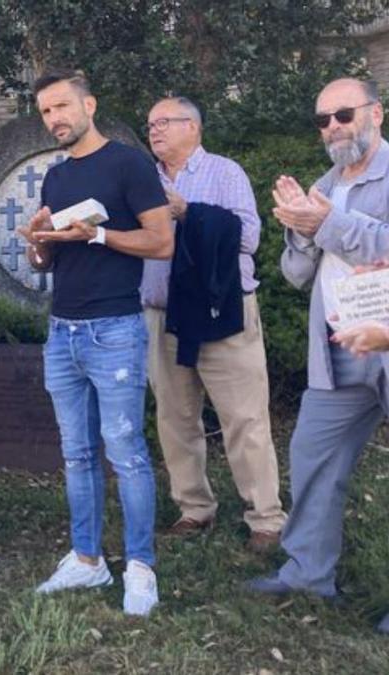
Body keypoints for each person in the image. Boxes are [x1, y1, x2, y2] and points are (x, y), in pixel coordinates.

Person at [18, 68, 172, 616]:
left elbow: (161, 241)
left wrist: (100, 233)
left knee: (126, 453)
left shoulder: (129, 165)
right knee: (77, 453)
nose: (54, 119)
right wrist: (37, 243)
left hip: (115, 330)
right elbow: (50, 260)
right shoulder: (56, 179)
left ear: (90, 104)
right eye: (45, 112)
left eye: (61, 106)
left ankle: (140, 567)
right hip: (62, 332)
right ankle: (86, 560)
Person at [245, 77, 389, 635]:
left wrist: (326, 223)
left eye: (344, 114)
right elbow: (295, 274)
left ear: (375, 113)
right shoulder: (323, 183)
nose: (333, 128)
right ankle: (308, 571)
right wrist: (303, 235)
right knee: (312, 455)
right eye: (323, 120)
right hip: (336, 352)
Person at [139, 97, 287, 550]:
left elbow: (248, 236)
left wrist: (190, 213)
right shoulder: (143, 181)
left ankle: (265, 517)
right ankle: (194, 508)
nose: (155, 130)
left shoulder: (226, 172)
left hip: (223, 312)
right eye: (150, 124)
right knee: (175, 417)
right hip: (162, 315)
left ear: (194, 128)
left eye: (165, 122)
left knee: (244, 417)